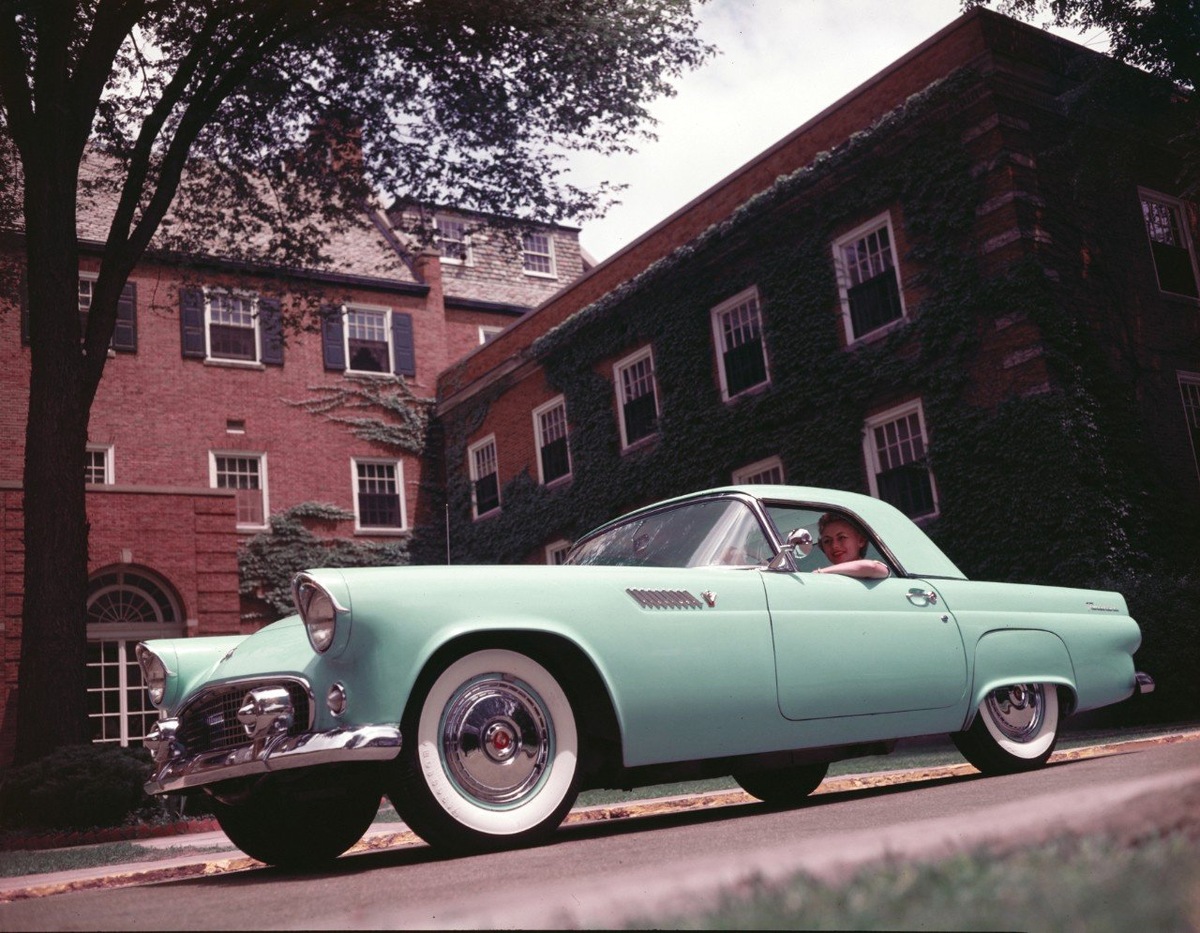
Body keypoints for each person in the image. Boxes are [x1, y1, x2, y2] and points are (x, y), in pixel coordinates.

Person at [812, 512, 889, 579]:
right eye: (827, 541)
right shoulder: (827, 581)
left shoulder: (878, 569)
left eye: (842, 537)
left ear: (861, 540)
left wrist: (820, 573)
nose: (834, 545)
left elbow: (871, 567)